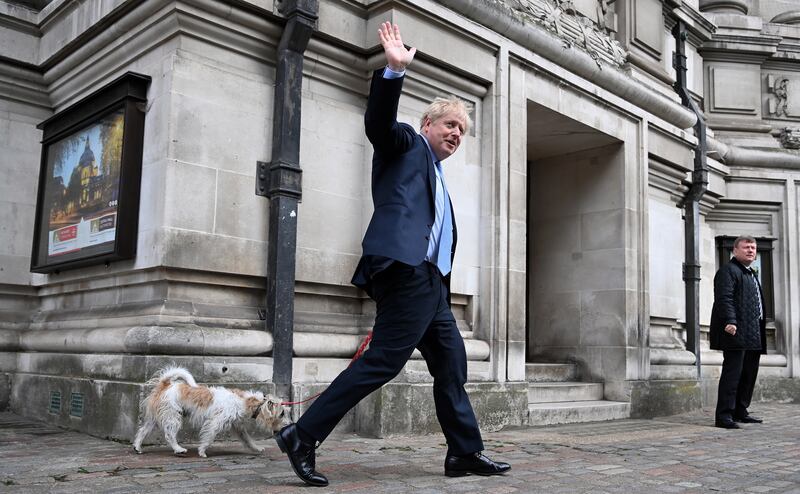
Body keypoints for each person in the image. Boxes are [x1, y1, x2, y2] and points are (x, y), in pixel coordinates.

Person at [273, 22, 510, 486]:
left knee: (451, 365)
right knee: (383, 361)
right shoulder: (405, 143)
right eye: (450, 124)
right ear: (428, 124)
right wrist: (393, 72)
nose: (457, 134)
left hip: (432, 285)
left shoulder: (437, 175)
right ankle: (303, 434)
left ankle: (464, 452)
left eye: (463, 129)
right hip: (406, 272)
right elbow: (378, 123)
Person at [710, 235, 767, 429]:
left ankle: (740, 411)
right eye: (746, 247)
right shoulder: (728, 271)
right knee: (732, 375)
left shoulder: (751, 273)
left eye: (753, 247)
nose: (751, 250)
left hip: (753, 333)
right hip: (735, 331)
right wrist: (730, 320)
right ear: (735, 251)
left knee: (748, 375)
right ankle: (724, 416)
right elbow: (724, 298)